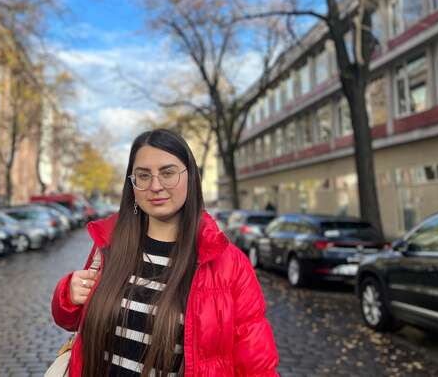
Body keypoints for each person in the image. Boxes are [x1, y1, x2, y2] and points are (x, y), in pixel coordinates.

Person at [51, 129, 279, 377]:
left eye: (168, 173)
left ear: (190, 177)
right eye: (143, 175)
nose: (155, 186)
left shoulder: (229, 265)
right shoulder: (109, 245)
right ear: (132, 184)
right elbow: (69, 320)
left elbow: (257, 366)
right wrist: (68, 295)